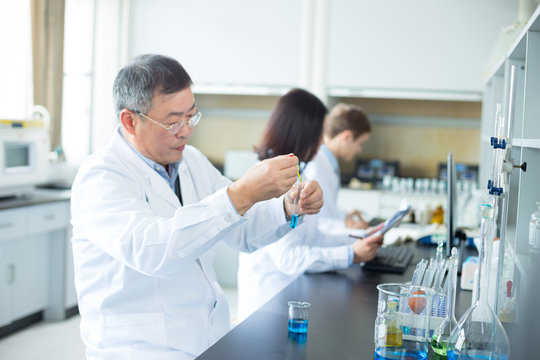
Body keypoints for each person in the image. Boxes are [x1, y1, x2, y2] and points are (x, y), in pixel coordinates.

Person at [70, 54, 323, 360]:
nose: (187, 130)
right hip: (139, 349)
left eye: (191, 116)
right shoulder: (101, 177)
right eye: (173, 121)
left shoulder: (192, 162)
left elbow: (242, 232)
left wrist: (286, 207)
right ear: (129, 121)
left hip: (204, 340)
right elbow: (153, 251)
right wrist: (240, 193)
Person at [237, 89, 383, 320]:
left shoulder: (297, 172)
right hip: (268, 306)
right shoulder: (269, 182)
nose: (322, 141)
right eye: (319, 133)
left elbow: (312, 236)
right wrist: (350, 254)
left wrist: (359, 239)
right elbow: (289, 258)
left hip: (291, 298)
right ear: (301, 131)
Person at [303, 102, 373, 232]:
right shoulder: (316, 165)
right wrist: (346, 226)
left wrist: (345, 215)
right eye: (360, 143)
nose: (359, 150)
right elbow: (314, 221)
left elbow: (327, 208)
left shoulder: (330, 162)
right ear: (347, 136)